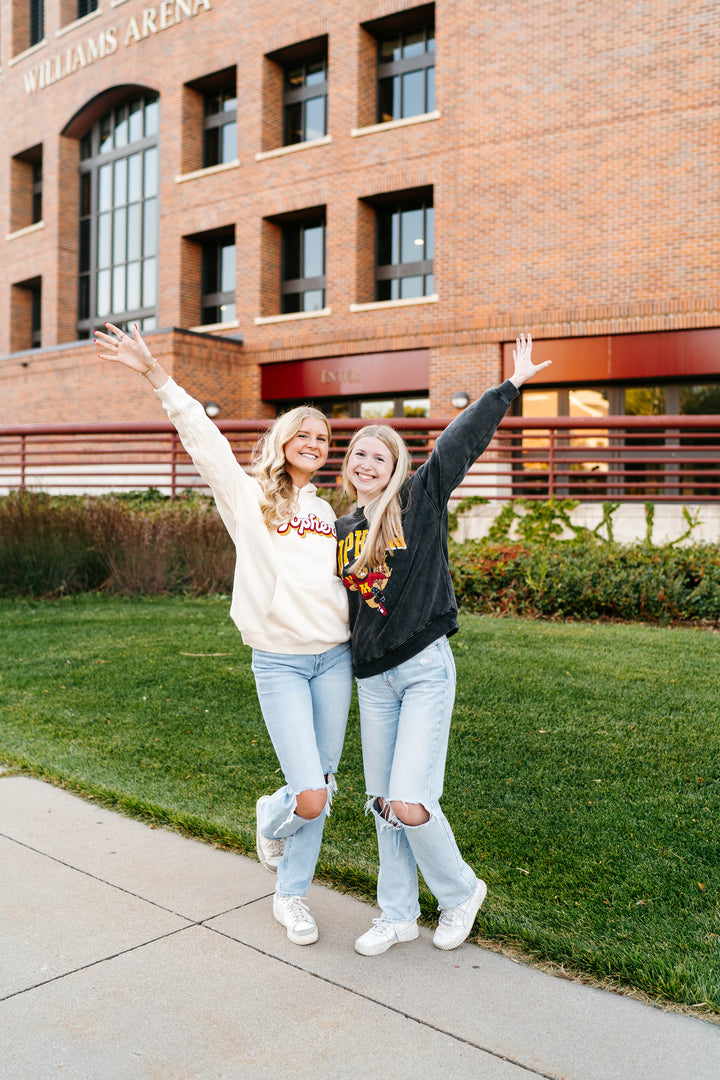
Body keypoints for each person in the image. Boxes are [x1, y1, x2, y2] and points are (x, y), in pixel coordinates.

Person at [95, 322, 353, 947]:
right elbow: (203, 438)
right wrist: (156, 375)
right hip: (282, 663)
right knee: (311, 796)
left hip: (335, 660)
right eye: (306, 433)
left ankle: (290, 891)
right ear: (284, 439)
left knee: (321, 785)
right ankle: (274, 821)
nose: (316, 443)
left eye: (324, 437)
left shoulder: (325, 512)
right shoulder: (249, 499)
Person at [335, 334, 551, 955]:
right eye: (358, 455)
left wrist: (508, 387)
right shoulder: (344, 527)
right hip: (373, 679)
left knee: (409, 801)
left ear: (396, 466)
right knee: (382, 803)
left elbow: (461, 440)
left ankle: (459, 893)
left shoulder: (418, 500)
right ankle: (397, 914)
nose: (367, 464)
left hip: (424, 669)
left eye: (379, 456)